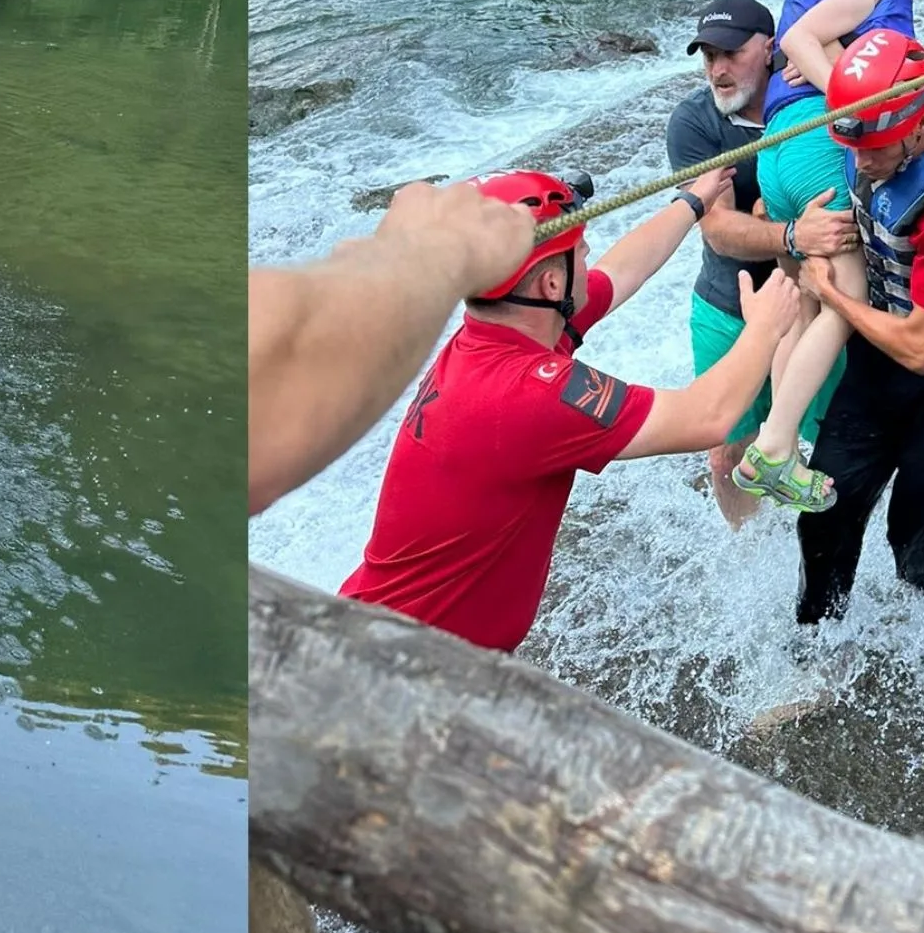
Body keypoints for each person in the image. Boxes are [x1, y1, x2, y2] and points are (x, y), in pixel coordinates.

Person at [338, 167, 799, 655]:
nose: (589, 253)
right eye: (580, 250)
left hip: (374, 635)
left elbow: (619, 272)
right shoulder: (528, 396)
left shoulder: (497, 335)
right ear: (552, 284)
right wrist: (765, 328)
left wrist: (691, 204)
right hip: (398, 670)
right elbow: (707, 417)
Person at [792, 29, 924, 625]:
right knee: (823, 511)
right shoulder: (863, 133)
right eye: (852, 145)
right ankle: (816, 642)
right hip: (877, 356)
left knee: (913, 531)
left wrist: (832, 295)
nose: (861, 160)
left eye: (875, 148)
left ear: (917, 126)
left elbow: (921, 350)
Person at [732, 0, 920, 511]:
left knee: (801, 305)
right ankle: (773, 446)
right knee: (846, 298)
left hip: (776, 155)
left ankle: (783, 453)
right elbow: (798, 37)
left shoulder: (842, 26)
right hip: (816, 146)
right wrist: (848, 93)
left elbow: (806, 42)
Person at [662, 0, 856, 526]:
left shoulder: (810, 89)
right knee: (727, 454)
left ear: (771, 49)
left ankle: (824, 546)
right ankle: (746, 548)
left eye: (731, 53)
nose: (718, 71)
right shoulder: (694, 123)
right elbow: (719, 229)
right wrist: (794, 234)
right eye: (708, 57)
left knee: (834, 440)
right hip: (729, 307)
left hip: (816, 303)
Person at [248, 181, 537, 512]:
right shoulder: (528, 384)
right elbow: (271, 373)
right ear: (552, 284)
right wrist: (450, 248)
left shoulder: (481, 354)